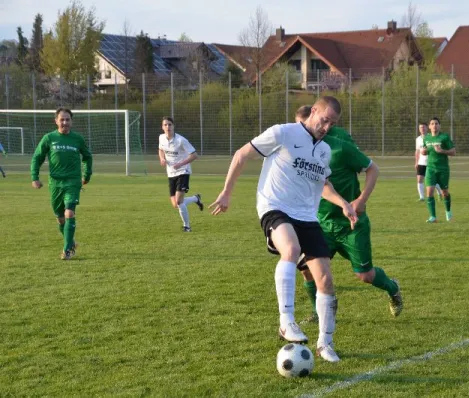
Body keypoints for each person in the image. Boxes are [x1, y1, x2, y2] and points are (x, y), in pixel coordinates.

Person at [210, 96, 357, 363]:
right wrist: (226, 192)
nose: (326, 127)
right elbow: (242, 154)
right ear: (313, 111)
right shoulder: (283, 132)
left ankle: (326, 342)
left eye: (332, 124)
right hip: (274, 205)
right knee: (290, 248)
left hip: (306, 216)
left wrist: (344, 203)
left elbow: (323, 185)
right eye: (324, 120)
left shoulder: (324, 151)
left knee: (325, 279)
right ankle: (286, 321)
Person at [294, 106, 403, 324]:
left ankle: (392, 288)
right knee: (306, 267)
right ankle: (318, 312)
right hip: (322, 223)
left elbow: (372, 168)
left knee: (365, 276)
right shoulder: (301, 148)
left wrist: (360, 200)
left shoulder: (340, 147)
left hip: (351, 223)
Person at [31, 107, 93, 260]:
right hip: (55, 183)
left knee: (69, 212)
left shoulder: (77, 139)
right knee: (60, 217)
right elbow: (37, 157)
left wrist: (87, 175)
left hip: (72, 182)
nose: (65, 122)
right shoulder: (49, 138)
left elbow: (87, 156)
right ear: (56, 121)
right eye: (62, 119)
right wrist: (35, 177)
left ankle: (67, 251)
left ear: (71, 122)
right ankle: (71, 242)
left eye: (67, 119)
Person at [158, 116, 204, 232]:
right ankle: (195, 199)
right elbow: (160, 150)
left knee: (179, 201)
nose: (168, 127)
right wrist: (162, 159)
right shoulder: (161, 138)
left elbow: (194, 155)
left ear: (173, 126)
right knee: (176, 204)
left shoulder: (181, 140)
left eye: (170, 124)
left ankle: (187, 226)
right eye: (165, 125)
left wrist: (181, 164)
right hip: (170, 173)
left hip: (183, 171)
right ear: (162, 127)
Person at [420, 117, 456, 223]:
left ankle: (448, 211)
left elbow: (453, 152)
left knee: (445, 192)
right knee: (429, 192)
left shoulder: (444, 137)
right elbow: (425, 149)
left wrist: (442, 151)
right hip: (431, 168)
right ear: (429, 126)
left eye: (436, 123)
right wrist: (423, 151)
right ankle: (433, 217)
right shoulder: (426, 138)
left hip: (443, 169)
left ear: (439, 126)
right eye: (432, 123)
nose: (434, 125)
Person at [415, 122, 442, 201]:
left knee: (432, 180)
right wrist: (416, 162)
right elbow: (417, 151)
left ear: (427, 128)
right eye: (420, 127)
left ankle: (440, 192)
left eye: (423, 127)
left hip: (430, 162)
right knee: (419, 179)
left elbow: (436, 149)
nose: (422, 129)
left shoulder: (432, 137)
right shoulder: (418, 139)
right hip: (421, 162)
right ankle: (422, 197)